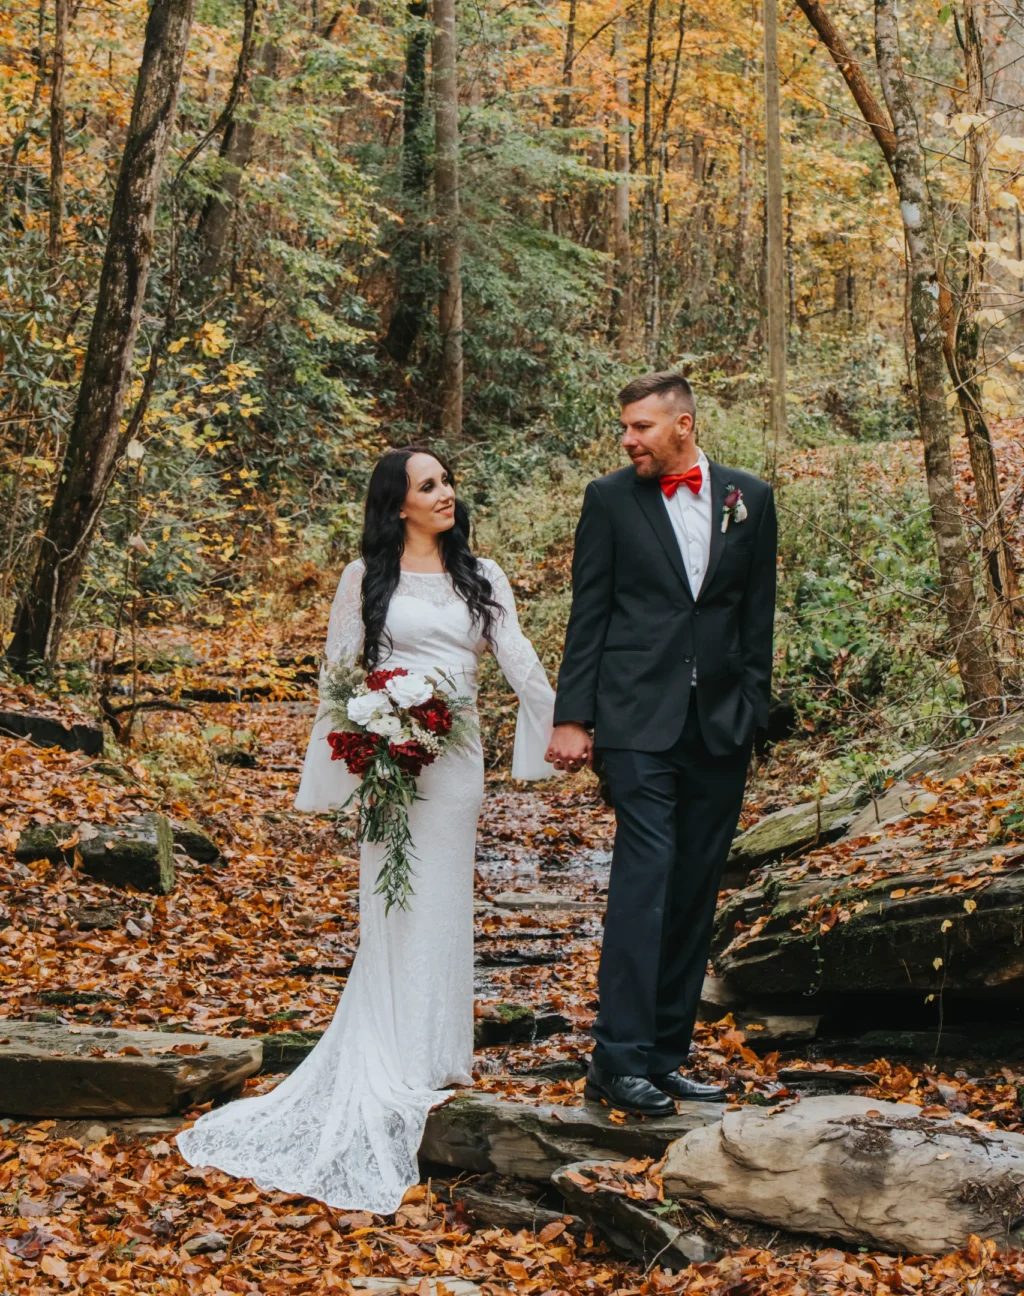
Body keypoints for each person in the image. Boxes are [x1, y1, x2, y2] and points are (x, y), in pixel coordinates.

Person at [177, 448, 557, 1212]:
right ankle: (394, 1052)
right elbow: (340, 673)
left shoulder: (483, 576)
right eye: (428, 485)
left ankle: (441, 1055)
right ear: (398, 504)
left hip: (457, 763)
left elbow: (515, 656)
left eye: (447, 480)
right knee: (395, 899)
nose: (446, 493)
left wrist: (566, 723)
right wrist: (357, 749)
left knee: (444, 898)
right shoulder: (365, 579)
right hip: (392, 762)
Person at [546, 372, 776, 1117]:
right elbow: (591, 612)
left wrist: (750, 709)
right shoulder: (610, 500)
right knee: (645, 884)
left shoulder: (751, 499)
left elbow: (755, 617)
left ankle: (667, 1057)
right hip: (636, 722)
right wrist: (573, 717)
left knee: (695, 890)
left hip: (719, 726)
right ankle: (617, 1059)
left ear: (685, 424)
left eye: (641, 426)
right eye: (626, 427)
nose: (628, 439)